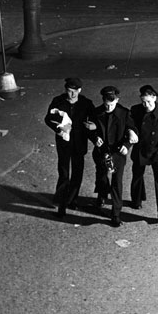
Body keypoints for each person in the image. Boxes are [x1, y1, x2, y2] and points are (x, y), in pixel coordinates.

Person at [43, 77, 95, 218]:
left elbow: (95, 118)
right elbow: (48, 118)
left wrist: (93, 126)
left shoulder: (86, 103)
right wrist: (58, 129)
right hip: (64, 143)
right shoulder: (58, 101)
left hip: (79, 143)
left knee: (77, 174)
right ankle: (61, 202)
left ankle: (72, 199)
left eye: (74, 92)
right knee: (64, 174)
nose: (71, 94)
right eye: (68, 91)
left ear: (79, 90)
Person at [89, 86, 137, 227]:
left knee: (117, 182)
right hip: (101, 151)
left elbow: (133, 130)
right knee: (102, 176)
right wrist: (94, 138)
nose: (108, 107)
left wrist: (126, 146)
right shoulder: (97, 112)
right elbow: (89, 128)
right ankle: (102, 194)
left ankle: (115, 214)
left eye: (111, 104)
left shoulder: (124, 113)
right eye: (106, 104)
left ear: (117, 100)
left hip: (117, 152)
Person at [129, 85, 158, 221]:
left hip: (157, 150)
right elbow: (130, 123)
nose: (146, 105)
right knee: (137, 175)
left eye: (148, 101)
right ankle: (136, 200)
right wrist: (131, 132)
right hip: (140, 148)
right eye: (143, 101)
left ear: (154, 98)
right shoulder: (136, 110)